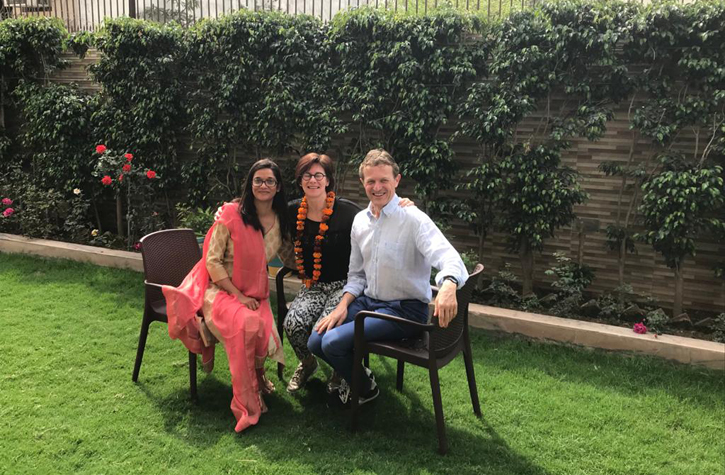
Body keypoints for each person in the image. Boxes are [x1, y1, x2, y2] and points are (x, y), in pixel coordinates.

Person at [307, 149, 469, 407]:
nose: (377, 187)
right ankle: (360, 376)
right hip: (368, 303)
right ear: (362, 182)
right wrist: (342, 305)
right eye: (371, 181)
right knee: (315, 341)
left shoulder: (413, 219)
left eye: (384, 180)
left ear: (397, 180)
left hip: (405, 311)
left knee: (332, 342)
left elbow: (449, 257)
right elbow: (356, 275)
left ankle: (364, 388)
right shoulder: (360, 222)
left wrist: (449, 284)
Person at [163, 159, 287, 432]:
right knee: (246, 324)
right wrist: (237, 295)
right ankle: (247, 401)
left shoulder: (281, 221)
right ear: (250, 184)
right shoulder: (231, 214)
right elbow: (212, 261)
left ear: (278, 187)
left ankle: (257, 377)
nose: (264, 185)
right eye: (258, 180)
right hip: (218, 289)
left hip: (255, 292)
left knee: (260, 325)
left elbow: (291, 255)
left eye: (270, 181)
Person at [281, 153, 415, 394]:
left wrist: (402, 205)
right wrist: (230, 209)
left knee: (325, 328)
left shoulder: (347, 211)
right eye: (307, 175)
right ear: (300, 180)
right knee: (292, 325)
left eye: (319, 175)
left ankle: (340, 370)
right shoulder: (291, 211)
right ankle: (308, 363)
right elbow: (262, 211)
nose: (313, 180)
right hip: (312, 285)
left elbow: (376, 217)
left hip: (344, 286)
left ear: (328, 180)